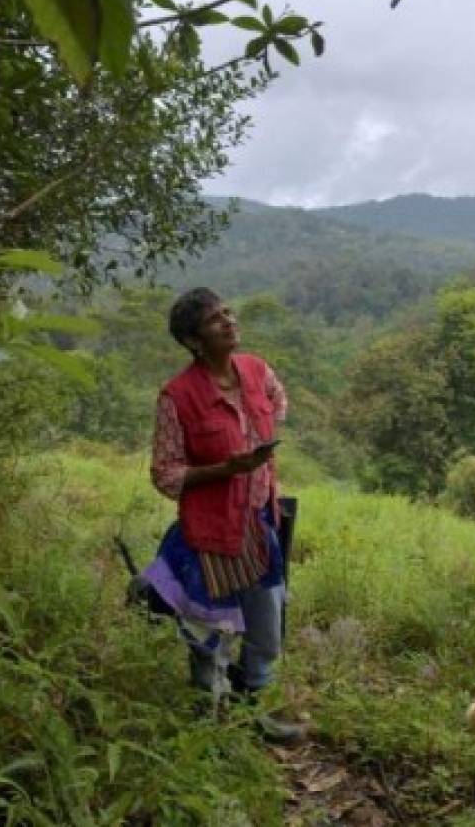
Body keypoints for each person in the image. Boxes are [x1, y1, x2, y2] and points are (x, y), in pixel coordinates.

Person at [142, 287, 304, 742]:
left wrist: (256, 460)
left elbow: (278, 405)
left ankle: (249, 707)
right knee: (210, 633)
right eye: (215, 320)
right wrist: (225, 469)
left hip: (260, 521)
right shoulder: (177, 397)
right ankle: (211, 727)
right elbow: (165, 473)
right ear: (195, 341)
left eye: (228, 313)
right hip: (211, 531)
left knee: (267, 633)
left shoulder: (257, 371)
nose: (229, 322)